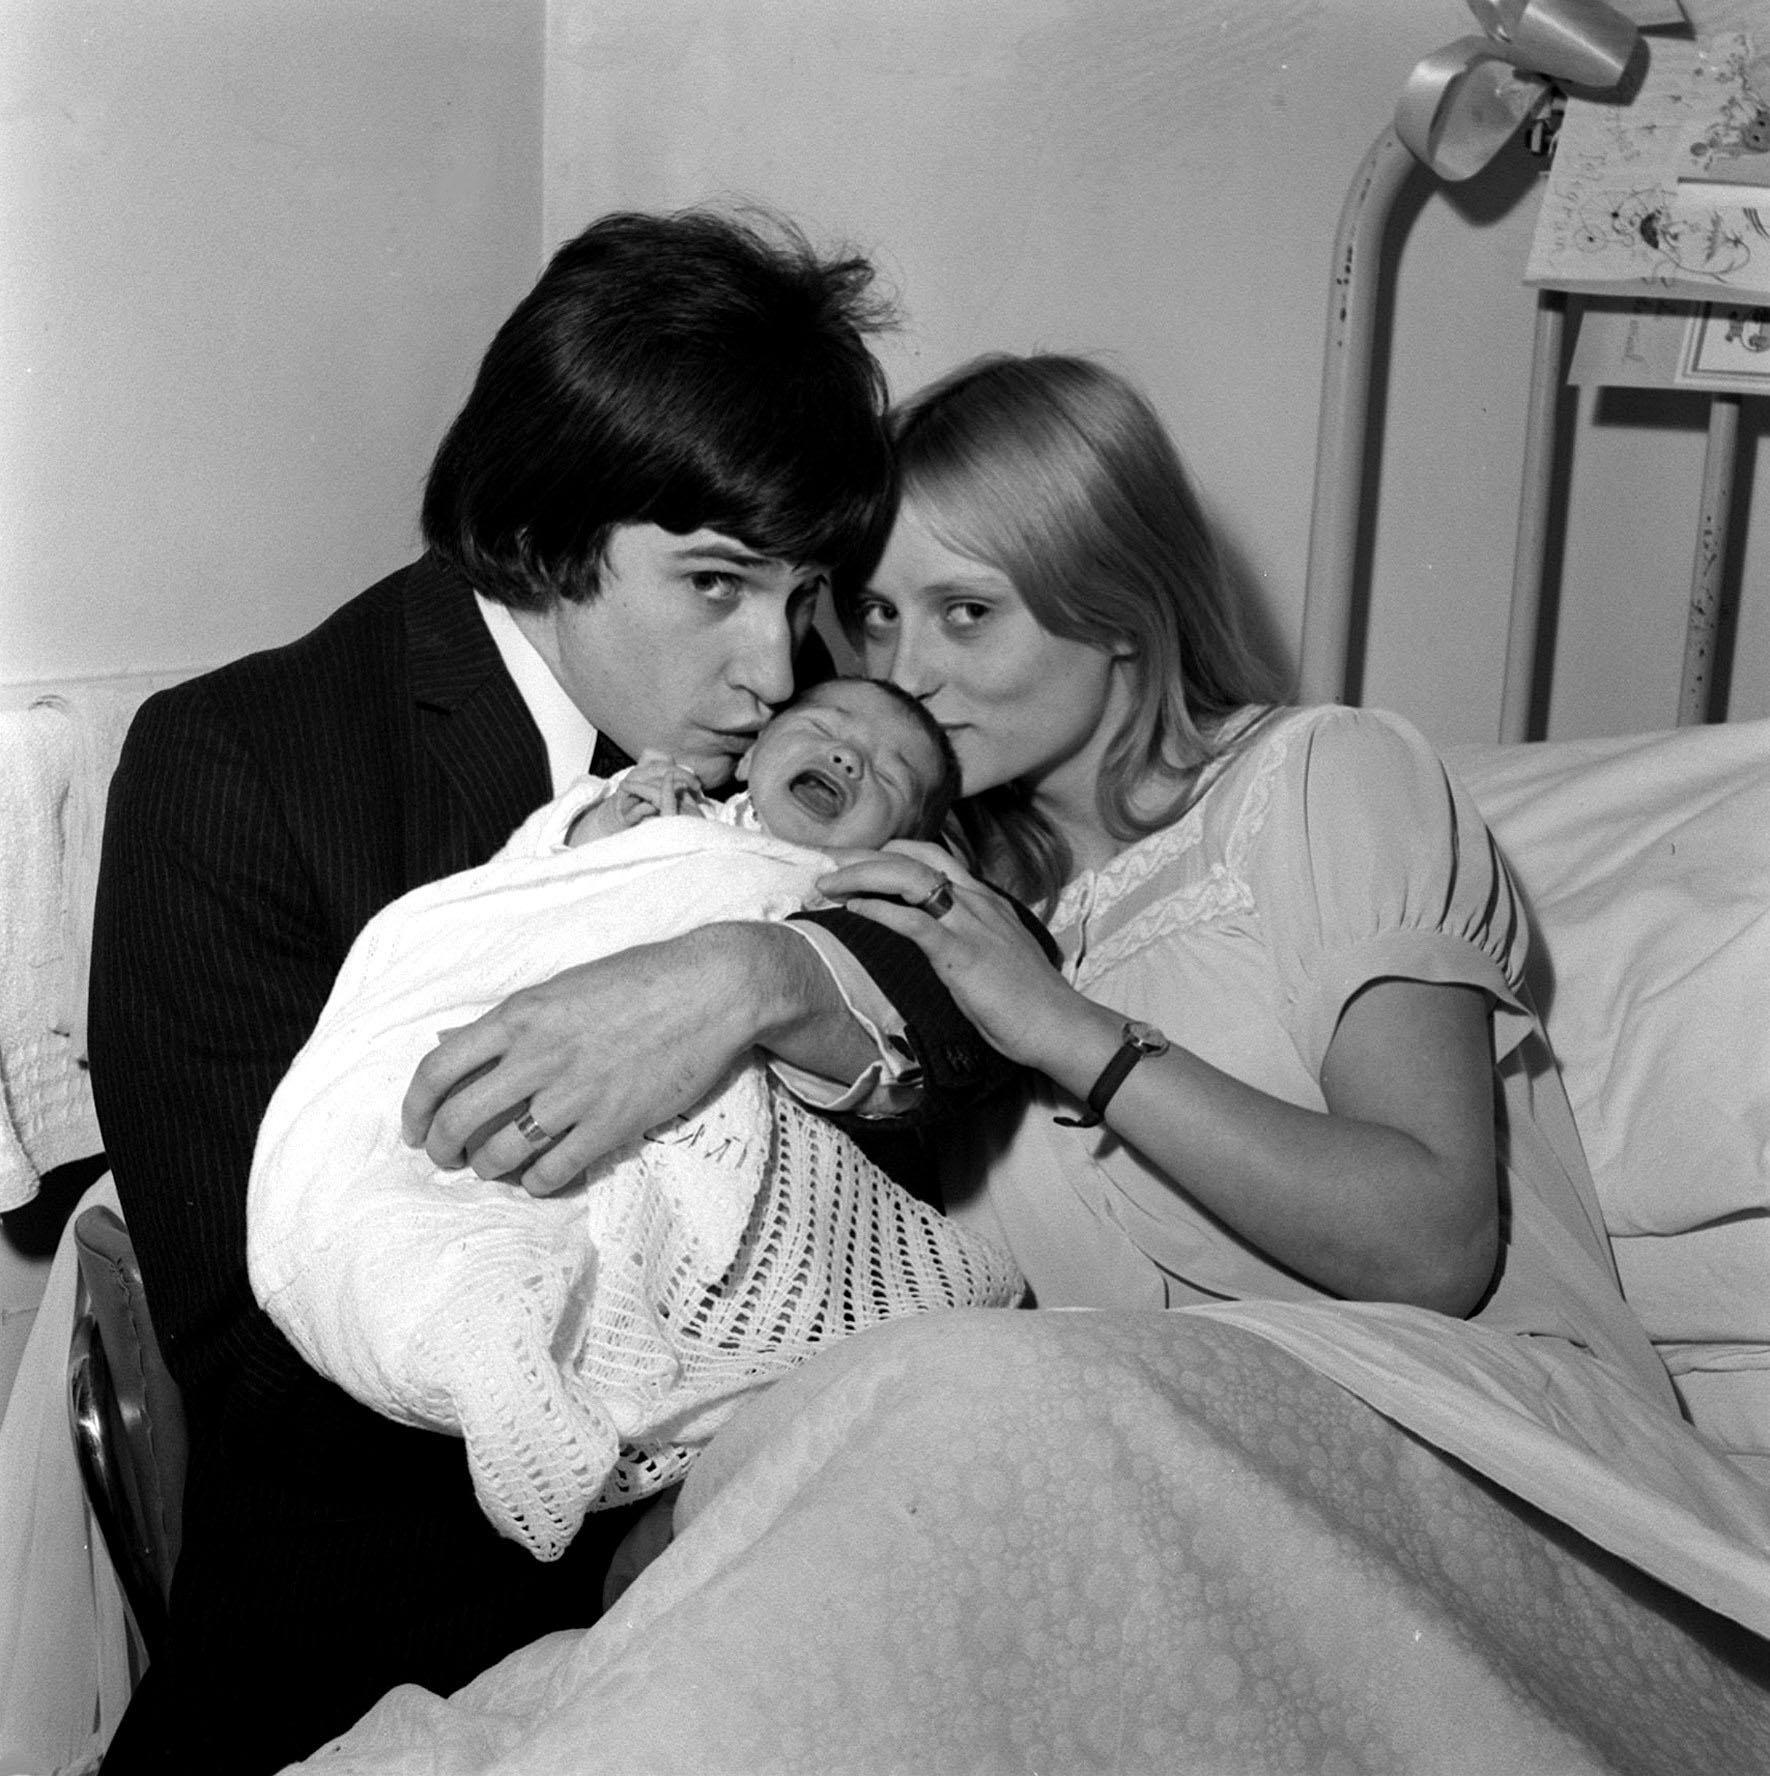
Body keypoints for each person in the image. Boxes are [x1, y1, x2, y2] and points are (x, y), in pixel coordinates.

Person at [85, 209, 1011, 1776]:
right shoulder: (240, 770)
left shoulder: (806, 762)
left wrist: (750, 974)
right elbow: (258, 1369)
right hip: (403, 1643)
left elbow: (977, 998)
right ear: (546, 527)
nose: (780, 676)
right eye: (715, 586)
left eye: (804, 602)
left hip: (798, 1572)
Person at [817, 350, 1670, 1395]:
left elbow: (1434, 1249)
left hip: (1466, 1428)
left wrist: (1065, 1029)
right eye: (876, 615)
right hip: (1127, 1459)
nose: (903, 676)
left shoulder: (1323, 780)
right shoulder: (951, 902)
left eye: (967, 613)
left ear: (1118, 603)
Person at [246, 674, 1016, 1567]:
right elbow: (528, 890)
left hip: (663, 1125)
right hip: (506, 1042)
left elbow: (961, 969)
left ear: (908, 838)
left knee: (597, 1233)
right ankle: (448, 1325)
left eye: (889, 771)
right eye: (826, 726)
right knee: (408, 1188)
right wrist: (602, 827)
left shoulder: (852, 887)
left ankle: (517, 1374)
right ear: (756, 755)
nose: (851, 754)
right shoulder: (659, 820)